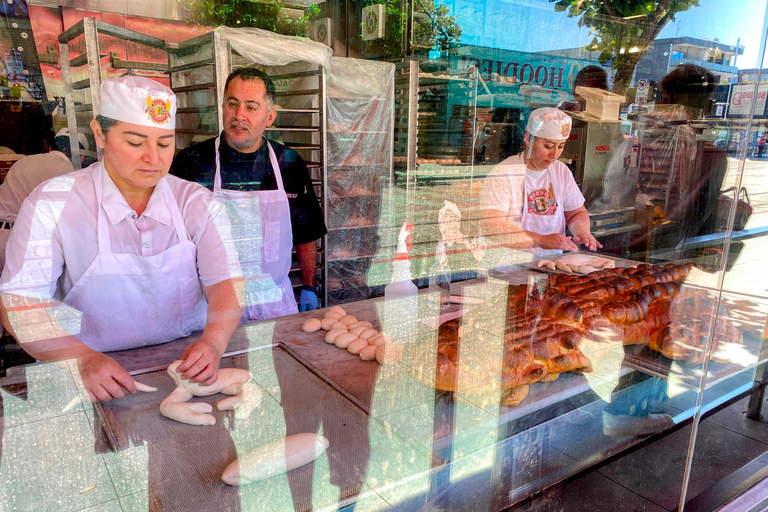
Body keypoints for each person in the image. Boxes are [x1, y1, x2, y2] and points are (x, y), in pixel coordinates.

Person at [0, 76, 243, 402]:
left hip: (188, 367)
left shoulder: (196, 202)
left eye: (164, 143)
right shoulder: (53, 203)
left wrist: (213, 342)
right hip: (87, 373)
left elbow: (227, 283)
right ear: (100, 133)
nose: (153, 159)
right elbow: (20, 303)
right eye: (134, 142)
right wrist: (80, 359)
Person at [172, 67, 327, 320]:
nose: (239, 115)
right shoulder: (193, 162)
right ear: (222, 107)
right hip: (210, 306)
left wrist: (309, 287)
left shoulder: (288, 163)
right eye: (233, 104)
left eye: (251, 107)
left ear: (269, 117)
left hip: (273, 301)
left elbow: (306, 232)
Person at [480, 107, 601, 259]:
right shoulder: (504, 173)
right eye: (548, 146)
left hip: (551, 263)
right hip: (508, 267)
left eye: (561, 146)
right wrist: (541, 240)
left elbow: (576, 213)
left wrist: (582, 232)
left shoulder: (561, 171)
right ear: (528, 139)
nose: (554, 154)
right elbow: (491, 226)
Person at [0, 128, 88, 270]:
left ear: (50, 148)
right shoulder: (68, 173)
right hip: (21, 241)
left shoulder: (25, 160)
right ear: (82, 156)